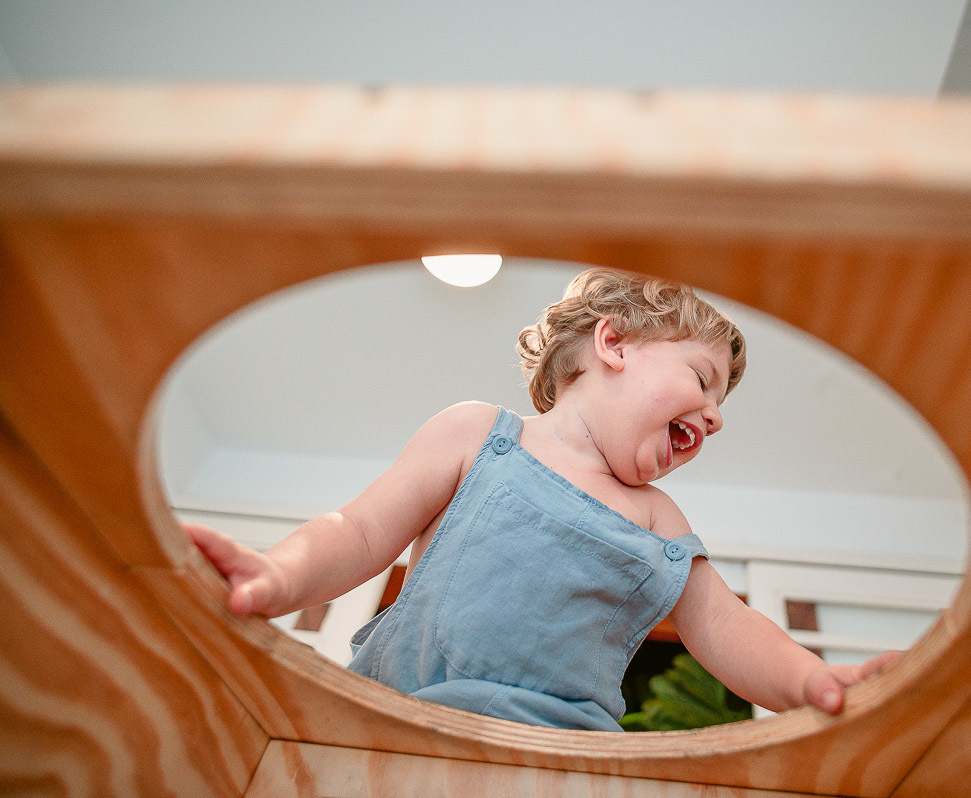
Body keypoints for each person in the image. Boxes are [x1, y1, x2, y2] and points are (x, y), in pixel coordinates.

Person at [184, 267, 899, 731]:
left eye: (720, 402)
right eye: (702, 378)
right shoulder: (480, 435)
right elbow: (360, 530)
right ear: (614, 343)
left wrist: (813, 679)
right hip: (399, 723)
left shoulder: (657, 517)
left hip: (563, 759)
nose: (715, 416)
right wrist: (275, 577)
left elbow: (725, 630)